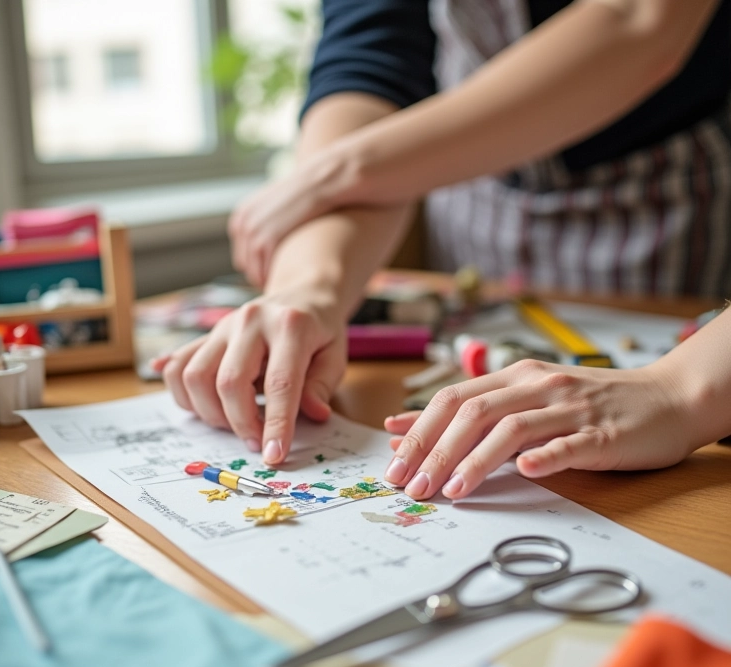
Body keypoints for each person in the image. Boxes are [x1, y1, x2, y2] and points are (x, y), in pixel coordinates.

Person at [155, 0, 731, 498]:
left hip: (674, 206)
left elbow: (636, 21)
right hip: (476, 206)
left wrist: (677, 388)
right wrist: (311, 286)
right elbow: (369, 67)